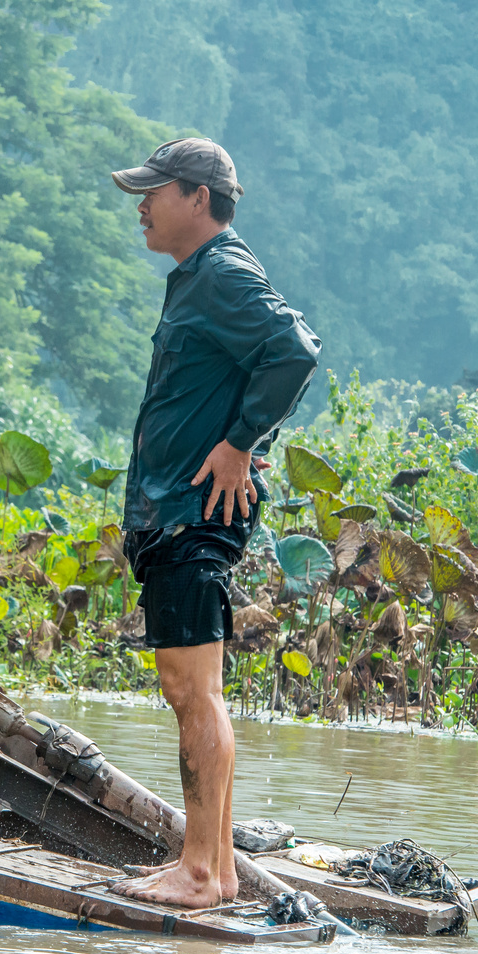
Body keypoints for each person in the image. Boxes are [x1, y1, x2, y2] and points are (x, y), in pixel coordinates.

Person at [108, 138, 321, 909]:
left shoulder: (224, 274)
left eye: (153, 191)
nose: (141, 204)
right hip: (178, 508)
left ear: (198, 197)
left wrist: (239, 444)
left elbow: (293, 350)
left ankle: (199, 871)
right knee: (196, 689)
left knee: (189, 689)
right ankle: (218, 869)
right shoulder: (197, 279)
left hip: (193, 512)